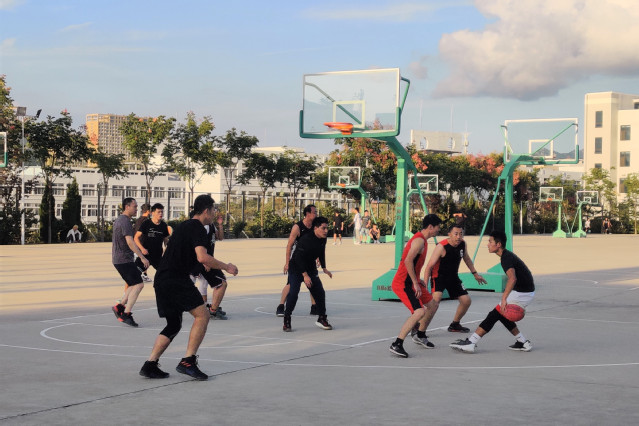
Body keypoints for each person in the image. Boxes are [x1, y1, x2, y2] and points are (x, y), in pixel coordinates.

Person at [139, 194, 238, 380]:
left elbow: (188, 255)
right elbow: (202, 256)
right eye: (213, 209)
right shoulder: (198, 227)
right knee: (203, 315)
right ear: (206, 210)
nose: (214, 213)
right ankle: (188, 361)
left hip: (163, 279)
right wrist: (227, 267)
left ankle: (150, 364)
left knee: (173, 324)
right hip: (175, 279)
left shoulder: (184, 226)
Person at [450, 230, 535, 353]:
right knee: (502, 315)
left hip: (522, 293)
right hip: (526, 291)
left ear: (498, 244)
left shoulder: (506, 258)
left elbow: (512, 278)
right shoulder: (506, 256)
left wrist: (504, 298)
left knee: (494, 314)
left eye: (490, 242)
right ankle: (522, 342)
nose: (488, 244)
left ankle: (471, 342)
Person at [389, 214, 442, 358]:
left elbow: (414, 264)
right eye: (437, 227)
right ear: (430, 227)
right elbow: (408, 261)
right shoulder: (419, 241)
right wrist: (414, 282)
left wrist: (418, 280)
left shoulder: (423, 240)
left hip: (413, 281)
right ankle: (397, 344)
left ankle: (420, 334)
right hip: (403, 283)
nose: (438, 230)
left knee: (433, 305)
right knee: (419, 312)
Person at [422, 223, 487, 334]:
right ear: (449, 234)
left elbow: (467, 258)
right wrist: (425, 284)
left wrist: (475, 274)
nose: (458, 236)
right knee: (434, 302)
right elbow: (429, 267)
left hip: (453, 277)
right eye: (456, 234)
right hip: (439, 277)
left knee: (466, 301)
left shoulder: (462, 244)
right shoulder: (441, 247)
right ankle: (420, 329)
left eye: (461, 234)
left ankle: (455, 324)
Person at [283, 216, 333, 332]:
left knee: (320, 292)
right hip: (296, 268)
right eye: (323, 228)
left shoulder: (323, 239)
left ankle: (322, 318)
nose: (326, 231)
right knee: (293, 293)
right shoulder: (306, 240)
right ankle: (287, 319)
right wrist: (305, 275)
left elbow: (321, 252)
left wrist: (324, 268)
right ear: (315, 228)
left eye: (327, 228)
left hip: (310, 268)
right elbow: (298, 258)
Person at [111, 198, 150, 327]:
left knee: (133, 284)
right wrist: (142, 257)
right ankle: (126, 314)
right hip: (123, 259)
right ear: (127, 207)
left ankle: (119, 307)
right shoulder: (125, 221)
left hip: (120, 259)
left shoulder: (120, 220)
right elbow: (130, 242)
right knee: (139, 285)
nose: (136, 209)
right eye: (134, 206)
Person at [276, 205, 318, 317]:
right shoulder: (297, 227)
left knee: (313, 283)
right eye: (314, 212)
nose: (316, 214)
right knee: (291, 284)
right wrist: (287, 263)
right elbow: (289, 245)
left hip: (309, 261)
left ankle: (314, 307)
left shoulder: (315, 226)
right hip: (297, 261)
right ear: (308, 214)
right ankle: (281, 306)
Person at [192, 212, 229, 320]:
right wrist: (205, 262)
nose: (214, 213)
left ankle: (207, 308)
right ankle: (212, 310)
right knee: (221, 283)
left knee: (204, 283)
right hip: (204, 261)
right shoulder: (204, 227)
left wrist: (220, 225)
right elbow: (198, 246)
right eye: (213, 211)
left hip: (207, 260)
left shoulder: (211, 225)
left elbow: (220, 237)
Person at [134, 203, 171, 280]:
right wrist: (142, 249)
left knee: (166, 276)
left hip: (158, 256)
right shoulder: (146, 223)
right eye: (158, 212)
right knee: (133, 274)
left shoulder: (164, 225)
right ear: (153, 213)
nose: (160, 214)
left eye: (162, 212)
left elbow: (166, 240)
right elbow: (136, 238)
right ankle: (128, 288)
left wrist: (167, 249)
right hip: (146, 255)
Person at [133, 203, 152, 282]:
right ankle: (139, 275)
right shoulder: (146, 221)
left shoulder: (138, 220)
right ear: (148, 211)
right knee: (146, 261)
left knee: (144, 261)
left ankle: (144, 275)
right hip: (142, 245)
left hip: (137, 244)